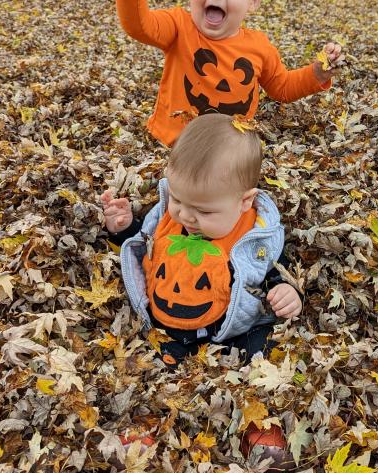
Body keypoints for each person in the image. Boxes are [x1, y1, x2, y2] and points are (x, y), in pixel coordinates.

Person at [109, 0, 345, 146]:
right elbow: (138, 25)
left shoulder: (259, 47)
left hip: (228, 152)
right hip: (175, 145)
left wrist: (316, 73)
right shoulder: (178, 26)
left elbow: (282, 87)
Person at [101, 113, 301, 367]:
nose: (185, 215)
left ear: (244, 202)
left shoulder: (254, 237)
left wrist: (286, 291)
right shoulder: (170, 217)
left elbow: (276, 269)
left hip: (232, 332)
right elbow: (148, 247)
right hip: (165, 325)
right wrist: (124, 228)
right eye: (177, 199)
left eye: (203, 211)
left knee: (261, 352)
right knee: (151, 362)